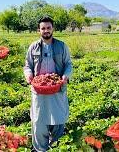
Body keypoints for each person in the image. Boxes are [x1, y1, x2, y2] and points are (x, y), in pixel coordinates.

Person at [23, 16, 72, 151]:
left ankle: (57, 147)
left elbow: (68, 64)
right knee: (39, 121)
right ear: (39, 30)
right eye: (43, 28)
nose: (46, 31)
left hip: (57, 89)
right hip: (39, 91)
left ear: (53, 29)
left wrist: (65, 76)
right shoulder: (33, 47)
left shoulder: (62, 46)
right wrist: (29, 75)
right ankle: (40, 149)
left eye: (48, 28)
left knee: (59, 119)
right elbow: (27, 65)